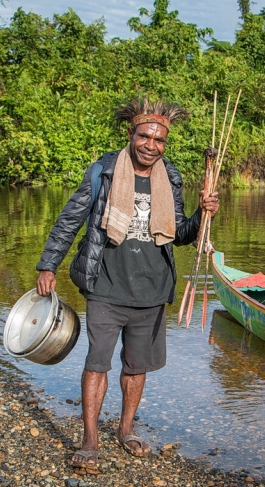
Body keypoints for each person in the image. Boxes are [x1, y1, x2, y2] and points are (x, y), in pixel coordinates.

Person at [35, 97, 220, 468]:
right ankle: (89, 440)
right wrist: (47, 265)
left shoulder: (170, 177)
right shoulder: (103, 171)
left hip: (152, 288)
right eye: (145, 136)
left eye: (159, 140)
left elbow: (178, 233)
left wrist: (203, 214)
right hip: (105, 284)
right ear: (131, 134)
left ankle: (126, 429)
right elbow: (69, 220)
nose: (151, 145)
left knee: (137, 366)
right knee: (97, 362)